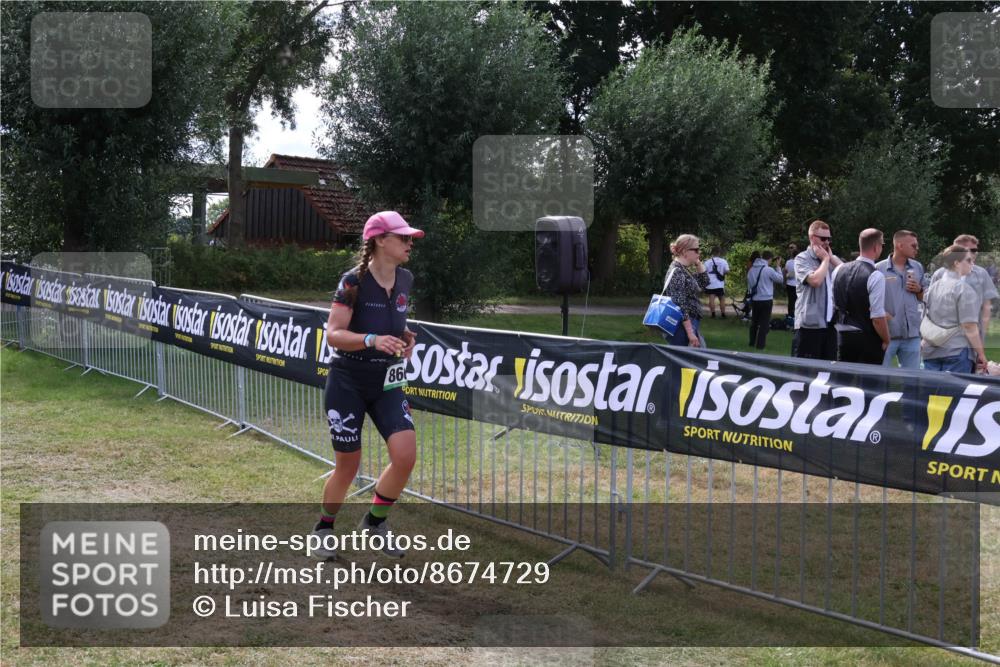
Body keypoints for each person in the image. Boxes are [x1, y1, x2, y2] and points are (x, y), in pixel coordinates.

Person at [312, 211, 424, 560]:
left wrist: (403, 337)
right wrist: (373, 339)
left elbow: (393, 321)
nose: (409, 244)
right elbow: (333, 334)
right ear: (379, 240)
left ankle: (374, 523)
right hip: (348, 381)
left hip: (387, 381)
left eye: (409, 238)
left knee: (405, 456)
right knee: (349, 466)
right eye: (402, 237)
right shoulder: (353, 282)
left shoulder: (404, 278)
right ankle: (324, 529)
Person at [923, 245, 987, 373]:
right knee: (952, 393)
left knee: (932, 392)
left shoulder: (933, 287)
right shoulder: (964, 289)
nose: (972, 264)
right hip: (955, 351)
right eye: (968, 260)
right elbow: (969, 326)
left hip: (931, 349)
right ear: (957, 263)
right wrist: (980, 354)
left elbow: (925, 316)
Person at [832, 228, 890, 364]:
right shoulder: (876, 276)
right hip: (867, 339)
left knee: (842, 383)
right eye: (882, 244)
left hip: (842, 335)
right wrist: (887, 339)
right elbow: (877, 317)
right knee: (869, 384)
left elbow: (834, 303)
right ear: (876, 247)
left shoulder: (838, 270)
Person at [930, 235, 998, 345]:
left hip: (971, 334)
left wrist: (981, 336)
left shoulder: (981, 274)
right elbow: (932, 304)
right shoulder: (940, 274)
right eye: (971, 250)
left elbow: (986, 307)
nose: (975, 253)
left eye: (975, 250)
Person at [875, 230, 926, 369]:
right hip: (887, 335)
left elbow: (924, 297)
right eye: (913, 245)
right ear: (899, 245)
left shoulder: (918, 267)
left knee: (912, 380)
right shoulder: (878, 269)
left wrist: (919, 290)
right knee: (879, 378)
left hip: (912, 336)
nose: (917, 249)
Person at [793, 219, 843, 360]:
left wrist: (831, 258)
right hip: (809, 327)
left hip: (830, 326)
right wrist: (825, 261)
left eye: (829, 239)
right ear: (812, 238)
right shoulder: (802, 258)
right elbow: (815, 281)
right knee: (805, 375)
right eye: (823, 238)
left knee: (828, 375)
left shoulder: (830, 258)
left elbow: (847, 276)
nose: (827, 242)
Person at [662, 234, 710, 347]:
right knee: (685, 360)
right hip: (682, 326)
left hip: (688, 323)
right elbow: (680, 304)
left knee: (689, 359)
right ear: (685, 251)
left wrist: (698, 263)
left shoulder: (683, 269)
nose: (699, 253)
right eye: (696, 250)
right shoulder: (677, 271)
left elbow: (704, 282)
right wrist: (690, 333)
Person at [746, 250, 786, 350]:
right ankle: (760, 345)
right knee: (764, 323)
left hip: (755, 299)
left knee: (754, 322)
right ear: (769, 259)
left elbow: (750, 285)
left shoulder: (751, 270)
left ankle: (751, 342)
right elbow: (780, 279)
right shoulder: (768, 269)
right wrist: (778, 266)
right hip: (766, 299)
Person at [703, 247, 730, 318]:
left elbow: (703, 272)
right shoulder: (723, 261)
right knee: (722, 299)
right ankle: (723, 314)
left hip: (710, 284)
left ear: (712, 253)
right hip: (720, 284)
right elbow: (727, 271)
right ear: (719, 253)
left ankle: (713, 314)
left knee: (711, 298)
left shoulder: (707, 262)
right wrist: (722, 274)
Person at [784, 243, 798, 317]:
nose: (791, 249)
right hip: (796, 284)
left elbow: (786, 273)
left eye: (792, 248)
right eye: (790, 247)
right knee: (796, 301)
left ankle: (790, 315)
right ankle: (794, 315)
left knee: (791, 301)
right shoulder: (799, 262)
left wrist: (785, 282)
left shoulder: (788, 262)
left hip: (790, 284)